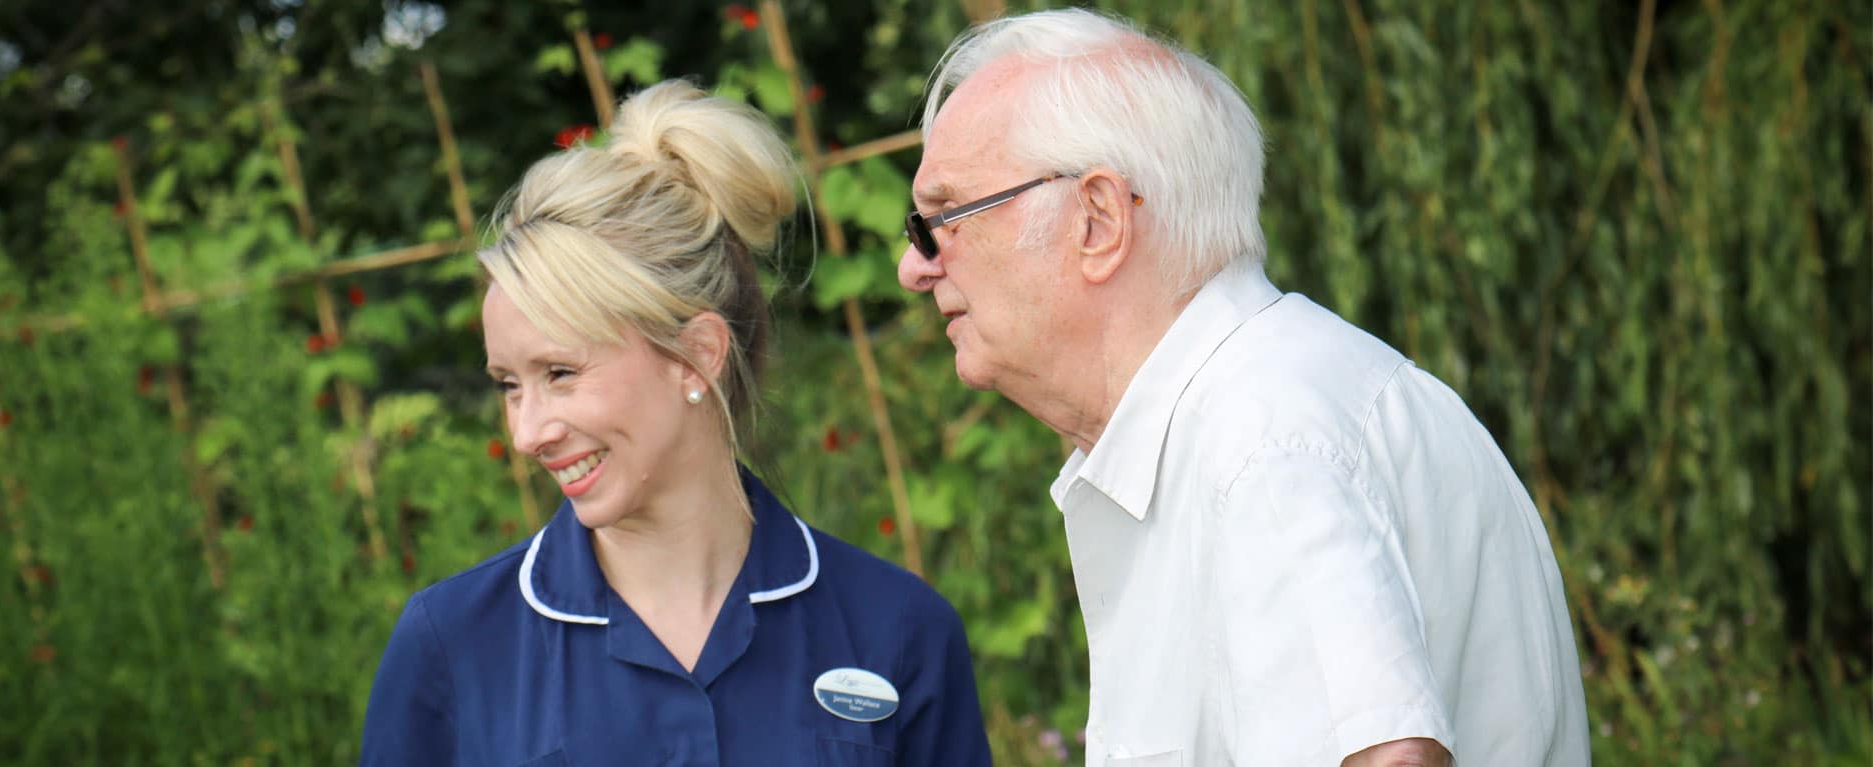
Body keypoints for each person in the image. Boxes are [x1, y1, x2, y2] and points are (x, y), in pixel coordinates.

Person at [897, 9, 1589, 767]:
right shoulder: (1262, 409)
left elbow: (1385, 755)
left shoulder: (1262, 437)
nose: (916, 266)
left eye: (942, 218)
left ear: (1097, 220)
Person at [361, 79, 993, 767]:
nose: (527, 432)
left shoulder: (899, 634)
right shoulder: (450, 647)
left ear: (696, 357)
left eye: (560, 374)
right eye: (510, 385)